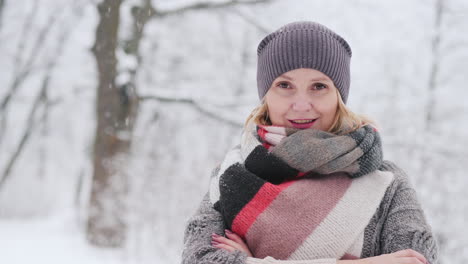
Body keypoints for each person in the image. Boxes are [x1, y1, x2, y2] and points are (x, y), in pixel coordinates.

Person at [181, 21, 438, 264]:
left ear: (338, 96)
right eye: (284, 85)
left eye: (318, 86)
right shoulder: (231, 176)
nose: (302, 104)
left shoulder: (387, 184)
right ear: (265, 95)